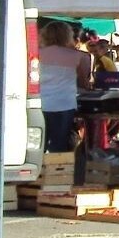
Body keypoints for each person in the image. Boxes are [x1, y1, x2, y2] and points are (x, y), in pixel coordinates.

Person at [37, 20, 94, 154]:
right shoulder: (79, 56)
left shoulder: (36, 54)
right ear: (68, 36)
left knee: (39, 144)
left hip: (40, 103)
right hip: (63, 104)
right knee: (59, 145)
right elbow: (83, 83)